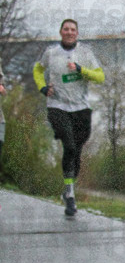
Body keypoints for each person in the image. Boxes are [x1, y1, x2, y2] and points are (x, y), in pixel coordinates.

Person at [33, 19, 105, 217]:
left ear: (77, 33)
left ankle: (68, 187)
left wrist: (82, 70)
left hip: (81, 108)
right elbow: (37, 70)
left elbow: (100, 77)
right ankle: (71, 196)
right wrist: (42, 87)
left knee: (76, 152)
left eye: (73, 30)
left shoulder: (86, 52)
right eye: (66, 29)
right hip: (57, 106)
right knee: (70, 146)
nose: (69, 32)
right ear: (60, 32)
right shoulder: (50, 53)